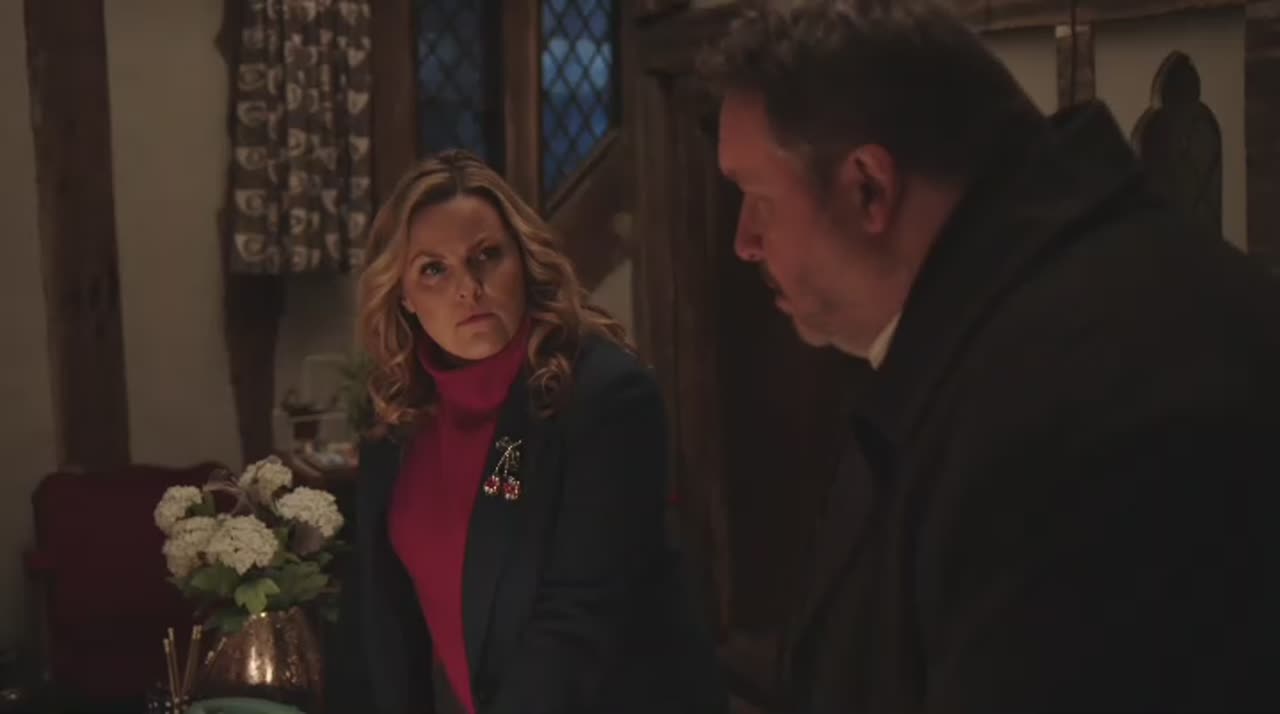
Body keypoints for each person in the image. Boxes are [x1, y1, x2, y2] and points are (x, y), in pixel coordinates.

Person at [700, 1, 1280, 712]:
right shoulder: (976, 334)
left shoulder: (1076, 398)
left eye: (757, 197)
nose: (745, 242)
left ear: (867, 188)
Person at [331, 149, 728, 714]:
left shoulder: (605, 397)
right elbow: (379, 623)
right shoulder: (397, 421)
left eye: (487, 256)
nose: (469, 288)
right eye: (433, 269)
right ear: (404, 298)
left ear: (525, 260)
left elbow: (577, 622)